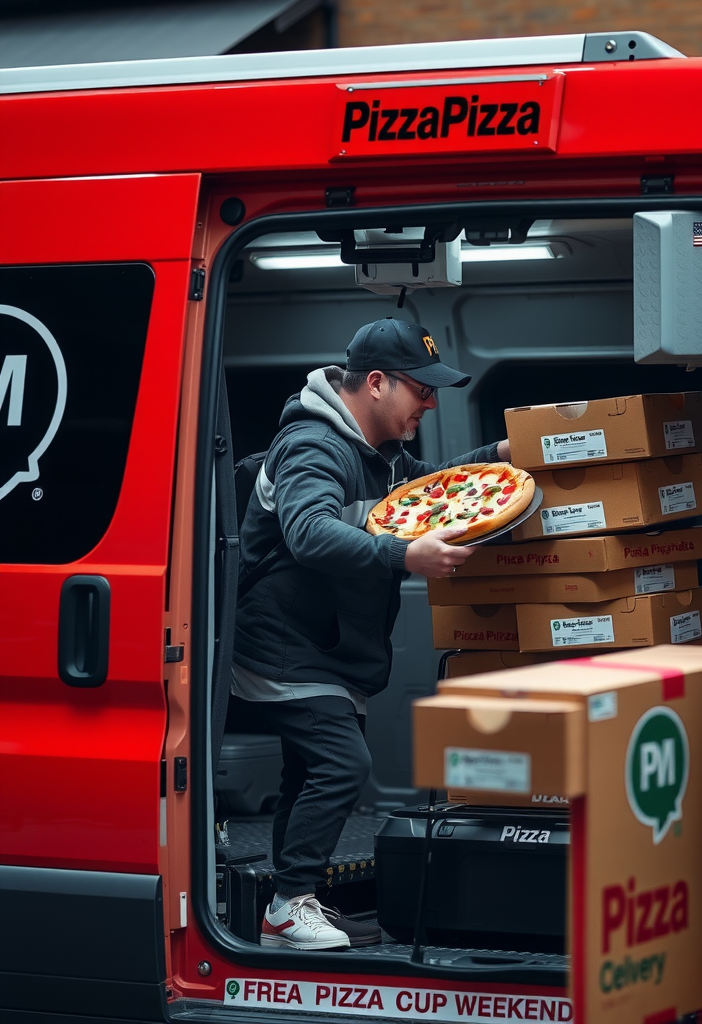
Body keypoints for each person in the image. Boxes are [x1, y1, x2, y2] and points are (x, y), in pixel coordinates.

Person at [231, 317, 511, 950]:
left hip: (323, 647)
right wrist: (404, 554)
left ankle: (290, 906)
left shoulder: (378, 454)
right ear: (377, 383)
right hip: (283, 647)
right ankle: (288, 905)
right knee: (342, 762)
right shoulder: (312, 444)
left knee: (308, 771)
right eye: (422, 390)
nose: (431, 404)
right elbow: (309, 532)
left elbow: (431, 487)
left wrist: (497, 457)